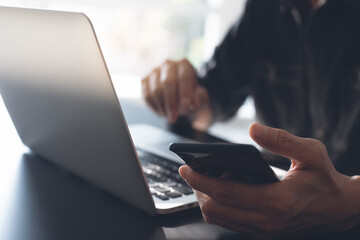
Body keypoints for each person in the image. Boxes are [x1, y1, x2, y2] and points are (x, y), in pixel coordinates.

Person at [141, 0, 360, 238]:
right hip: (272, 211)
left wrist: (350, 201)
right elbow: (210, 99)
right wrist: (184, 97)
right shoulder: (262, 8)